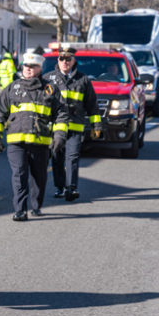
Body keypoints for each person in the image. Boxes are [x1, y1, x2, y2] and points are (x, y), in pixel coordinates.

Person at [0, 52, 68, 221]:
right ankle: (20, 210)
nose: (28, 69)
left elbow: (61, 113)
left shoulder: (50, 89)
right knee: (19, 174)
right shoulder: (12, 88)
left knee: (39, 177)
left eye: (32, 66)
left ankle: (36, 205)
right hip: (16, 142)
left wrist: (60, 136)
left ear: (40, 68)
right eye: (26, 66)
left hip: (41, 142)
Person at [44, 46, 102, 201]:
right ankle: (60, 187)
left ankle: (71, 188)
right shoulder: (48, 79)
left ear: (74, 60)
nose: (65, 62)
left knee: (73, 157)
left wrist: (96, 125)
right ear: (58, 60)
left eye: (68, 59)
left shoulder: (83, 80)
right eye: (62, 59)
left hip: (75, 126)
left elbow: (92, 105)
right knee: (57, 157)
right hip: (55, 128)